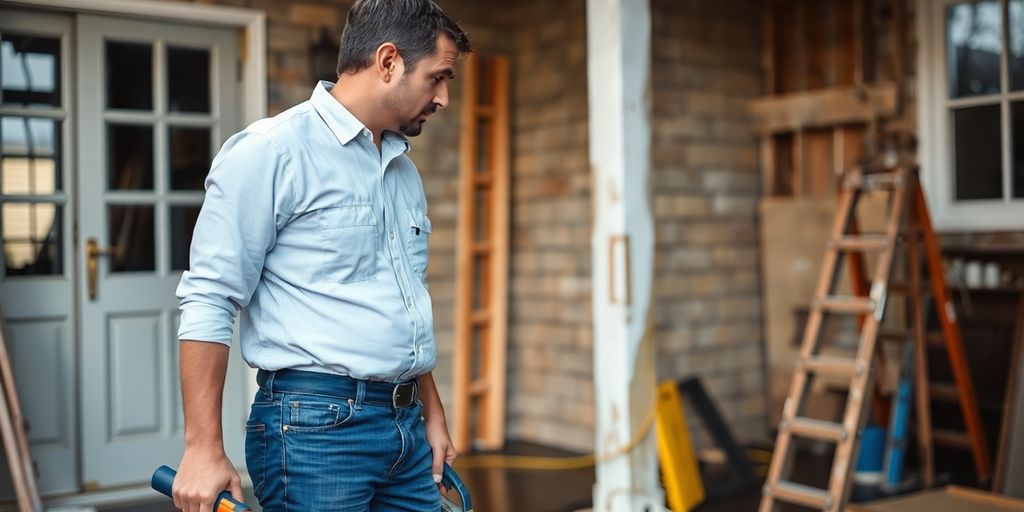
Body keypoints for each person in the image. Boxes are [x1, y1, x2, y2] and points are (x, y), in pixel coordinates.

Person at [170, 0, 471, 510]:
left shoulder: (402, 171)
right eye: (437, 77)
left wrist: (431, 412)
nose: (443, 98)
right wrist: (202, 448)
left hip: (406, 430)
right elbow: (210, 297)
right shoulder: (271, 151)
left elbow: (402, 303)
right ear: (389, 61)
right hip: (315, 433)